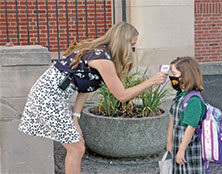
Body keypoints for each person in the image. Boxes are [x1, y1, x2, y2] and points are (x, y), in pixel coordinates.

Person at [18, 22, 168, 174]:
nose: (132, 50)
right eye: (132, 45)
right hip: (48, 99)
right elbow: (122, 95)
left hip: (52, 98)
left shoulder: (98, 52)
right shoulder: (103, 60)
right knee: (76, 148)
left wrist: (75, 117)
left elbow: (85, 88)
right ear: (123, 43)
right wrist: (152, 81)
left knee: (76, 147)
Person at [166, 57, 206, 173]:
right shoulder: (180, 95)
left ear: (185, 76)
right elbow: (172, 119)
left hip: (189, 147)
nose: (172, 77)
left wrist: (182, 149)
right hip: (178, 144)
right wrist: (169, 142)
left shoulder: (194, 100)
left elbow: (191, 126)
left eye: (174, 73)